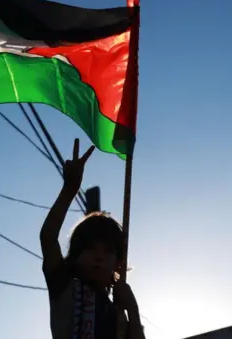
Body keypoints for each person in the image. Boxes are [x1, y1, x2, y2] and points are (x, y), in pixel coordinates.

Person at [40, 139, 146, 339]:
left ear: (118, 264)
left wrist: (132, 310)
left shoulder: (118, 313)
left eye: (108, 251)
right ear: (76, 255)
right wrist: (69, 189)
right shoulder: (64, 284)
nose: (99, 256)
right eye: (90, 248)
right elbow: (48, 237)